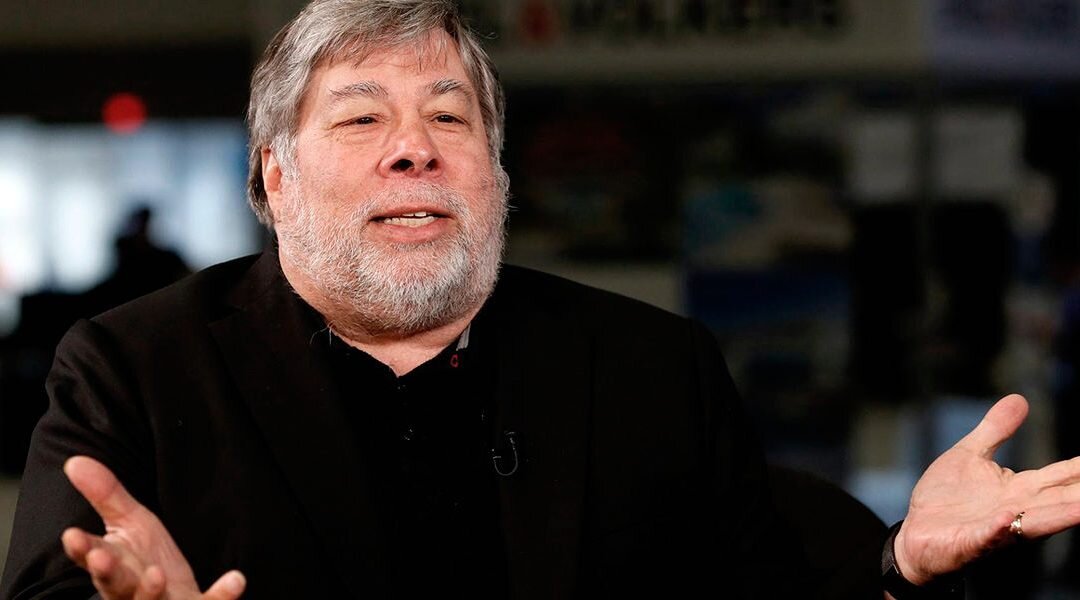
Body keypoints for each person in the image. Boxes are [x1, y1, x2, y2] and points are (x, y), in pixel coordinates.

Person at [3, 1, 1080, 598]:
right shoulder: (133, 368)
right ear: (275, 179)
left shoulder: (652, 365)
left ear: (498, 176)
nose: (415, 149)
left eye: (450, 117)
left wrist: (897, 564)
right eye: (362, 119)